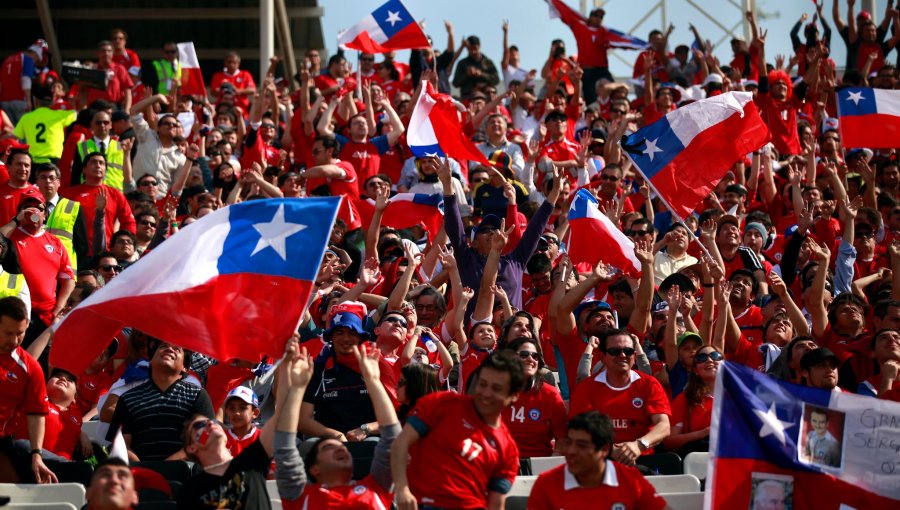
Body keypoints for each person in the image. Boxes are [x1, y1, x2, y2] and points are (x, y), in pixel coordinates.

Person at [275, 338, 401, 508]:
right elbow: (284, 445)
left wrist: (373, 380)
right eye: (328, 447)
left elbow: (393, 437)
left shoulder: (377, 488)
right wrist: (297, 388)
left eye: (338, 446)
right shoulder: (300, 497)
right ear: (314, 470)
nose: (341, 447)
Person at [392, 350, 524, 510]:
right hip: (425, 503)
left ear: (514, 395)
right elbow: (400, 443)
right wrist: (402, 490)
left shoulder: (508, 450)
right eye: (482, 384)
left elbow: (496, 504)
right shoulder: (442, 404)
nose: (486, 393)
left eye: (496, 388)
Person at [178, 338, 298, 509]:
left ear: (254, 413)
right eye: (200, 427)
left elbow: (283, 416)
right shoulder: (189, 491)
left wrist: (293, 377)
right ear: (191, 448)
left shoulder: (251, 465)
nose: (211, 424)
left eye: (243, 407)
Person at [527, 411, 669, 510]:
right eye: (569, 443)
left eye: (581, 445)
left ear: (605, 450)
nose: (571, 451)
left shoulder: (631, 481)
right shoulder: (546, 484)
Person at [569, 329, 671, 464]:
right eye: (615, 351)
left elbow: (663, 426)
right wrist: (610, 450)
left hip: (643, 458)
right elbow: (578, 431)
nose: (622, 355)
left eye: (628, 351)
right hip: (599, 460)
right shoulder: (587, 387)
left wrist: (638, 445)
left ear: (634, 356)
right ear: (602, 357)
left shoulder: (649, 384)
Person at [108, 339, 215, 461]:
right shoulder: (127, 399)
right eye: (163, 346)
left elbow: (205, 438)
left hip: (184, 475)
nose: (169, 349)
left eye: (177, 349)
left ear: (185, 367)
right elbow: (120, 444)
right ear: (150, 361)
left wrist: (169, 465)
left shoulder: (198, 395)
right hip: (139, 475)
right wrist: (142, 468)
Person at [2, 194, 75, 344]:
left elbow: (68, 280)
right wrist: (17, 220)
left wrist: (57, 310)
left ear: (45, 214)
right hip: (16, 313)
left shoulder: (55, 242)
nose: (34, 211)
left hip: (46, 316)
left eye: (39, 208)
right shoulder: (11, 237)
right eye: (28, 207)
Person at [0, 297, 56, 484]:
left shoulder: (29, 367)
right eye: (8, 333)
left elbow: (36, 413)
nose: (15, 340)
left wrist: (36, 455)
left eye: (20, 333)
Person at [502, 337, 567, 458]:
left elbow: (562, 436)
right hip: (501, 463)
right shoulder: (496, 391)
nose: (530, 359)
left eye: (535, 356)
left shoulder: (550, 394)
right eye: (524, 354)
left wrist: (553, 459)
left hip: (539, 464)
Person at [664, 346, 723, 457]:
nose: (709, 360)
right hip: (699, 462)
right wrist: (704, 433)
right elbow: (669, 442)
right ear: (695, 370)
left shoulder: (739, 397)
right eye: (701, 358)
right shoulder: (684, 399)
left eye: (715, 356)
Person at [12, 92, 75, 164]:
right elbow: (78, 114)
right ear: (51, 103)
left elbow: (14, 138)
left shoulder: (26, 117)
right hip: (54, 159)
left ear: (35, 102)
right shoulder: (60, 115)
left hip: (34, 160)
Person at [0, 39, 49, 124]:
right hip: (19, 100)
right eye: (36, 59)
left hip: (4, 101)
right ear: (35, 53)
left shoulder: (8, 60)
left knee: (11, 131)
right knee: (24, 132)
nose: (35, 62)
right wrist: (28, 101)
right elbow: (26, 79)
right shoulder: (27, 59)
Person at [83, 41, 133, 112]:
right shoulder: (91, 69)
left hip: (113, 107)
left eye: (109, 51)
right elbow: (83, 90)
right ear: (98, 53)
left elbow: (128, 91)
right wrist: (83, 109)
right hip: (94, 107)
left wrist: (127, 110)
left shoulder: (119, 68)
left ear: (113, 54)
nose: (106, 53)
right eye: (103, 51)